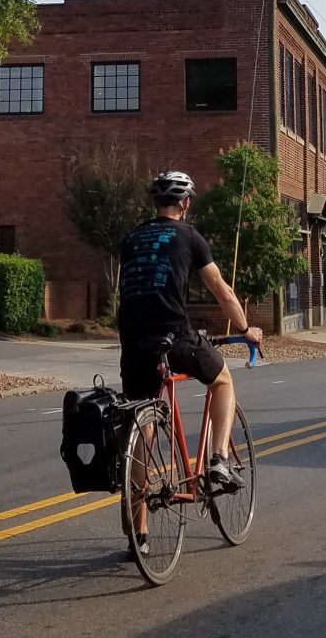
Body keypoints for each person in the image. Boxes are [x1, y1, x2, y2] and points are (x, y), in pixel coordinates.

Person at [118, 170, 262, 553]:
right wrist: (246, 328)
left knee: (142, 434)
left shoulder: (131, 239)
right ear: (185, 203)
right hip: (175, 337)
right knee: (223, 381)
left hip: (133, 346)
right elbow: (222, 290)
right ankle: (217, 459)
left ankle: (139, 538)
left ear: (154, 204)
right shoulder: (190, 236)